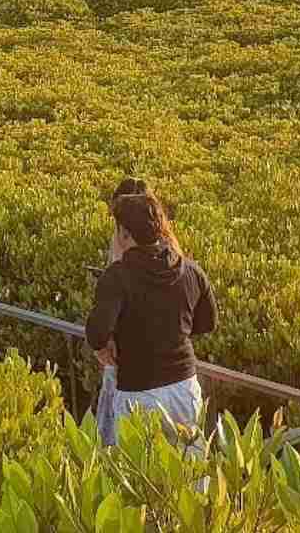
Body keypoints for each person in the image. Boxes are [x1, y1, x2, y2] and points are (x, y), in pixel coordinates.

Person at [86, 188, 216, 448]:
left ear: (124, 233)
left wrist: (106, 346)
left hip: (138, 393)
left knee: (140, 479)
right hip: (184, 388)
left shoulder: (117, 276)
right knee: (190, 474)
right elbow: (208, 322)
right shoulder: (191, 270)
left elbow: (97, 333)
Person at [93, 178, 183, 445]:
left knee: (130, 452)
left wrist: (103, 344)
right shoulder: (173, 253)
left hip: (135, 375)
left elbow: (101, 326)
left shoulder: (123, 250)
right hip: (176, 375)